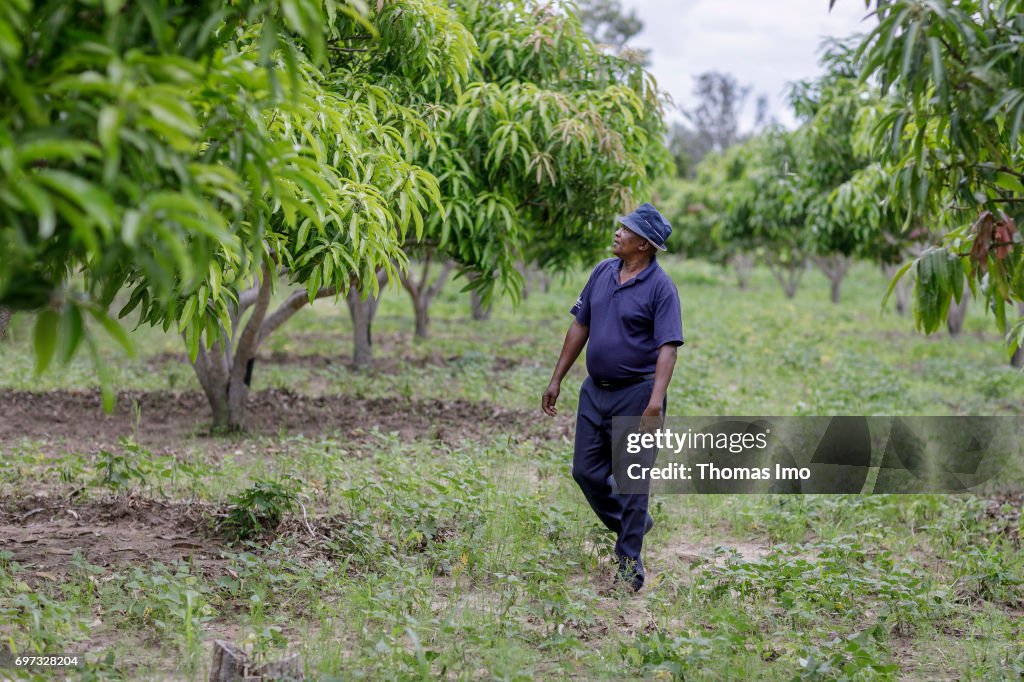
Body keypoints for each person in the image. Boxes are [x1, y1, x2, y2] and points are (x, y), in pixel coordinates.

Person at [541, 202, 684, 592]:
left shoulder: (661, 288)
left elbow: (668, 349)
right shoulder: (603, 272)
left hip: (636, 396)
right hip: (594, 393)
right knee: (585, 472)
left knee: (632, 481)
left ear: (645, 245)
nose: (618, 232)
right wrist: (557, 379)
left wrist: (654, 403)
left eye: (627, 230)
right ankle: (633, 523)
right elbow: (579, 326)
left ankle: (629, 566)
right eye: (620, 226)